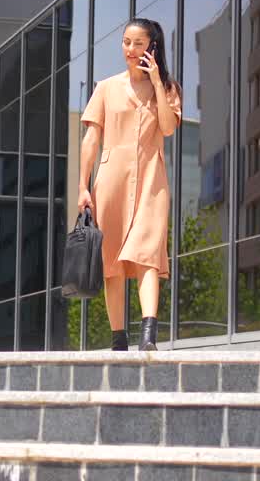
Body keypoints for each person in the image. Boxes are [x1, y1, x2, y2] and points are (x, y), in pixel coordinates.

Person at [78, 18, 181, 351]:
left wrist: (156, 81)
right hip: (111, 182)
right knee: (112, 265)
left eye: (138, 43)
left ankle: (149, 333)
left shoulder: (167, 88)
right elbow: (91, 139)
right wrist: (83, 185)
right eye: (126, 42)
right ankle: (118, 337)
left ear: (152, 47)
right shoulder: (106, 88)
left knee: (148, 254)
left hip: (152, 180)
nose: (130, 50)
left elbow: (166, 128)